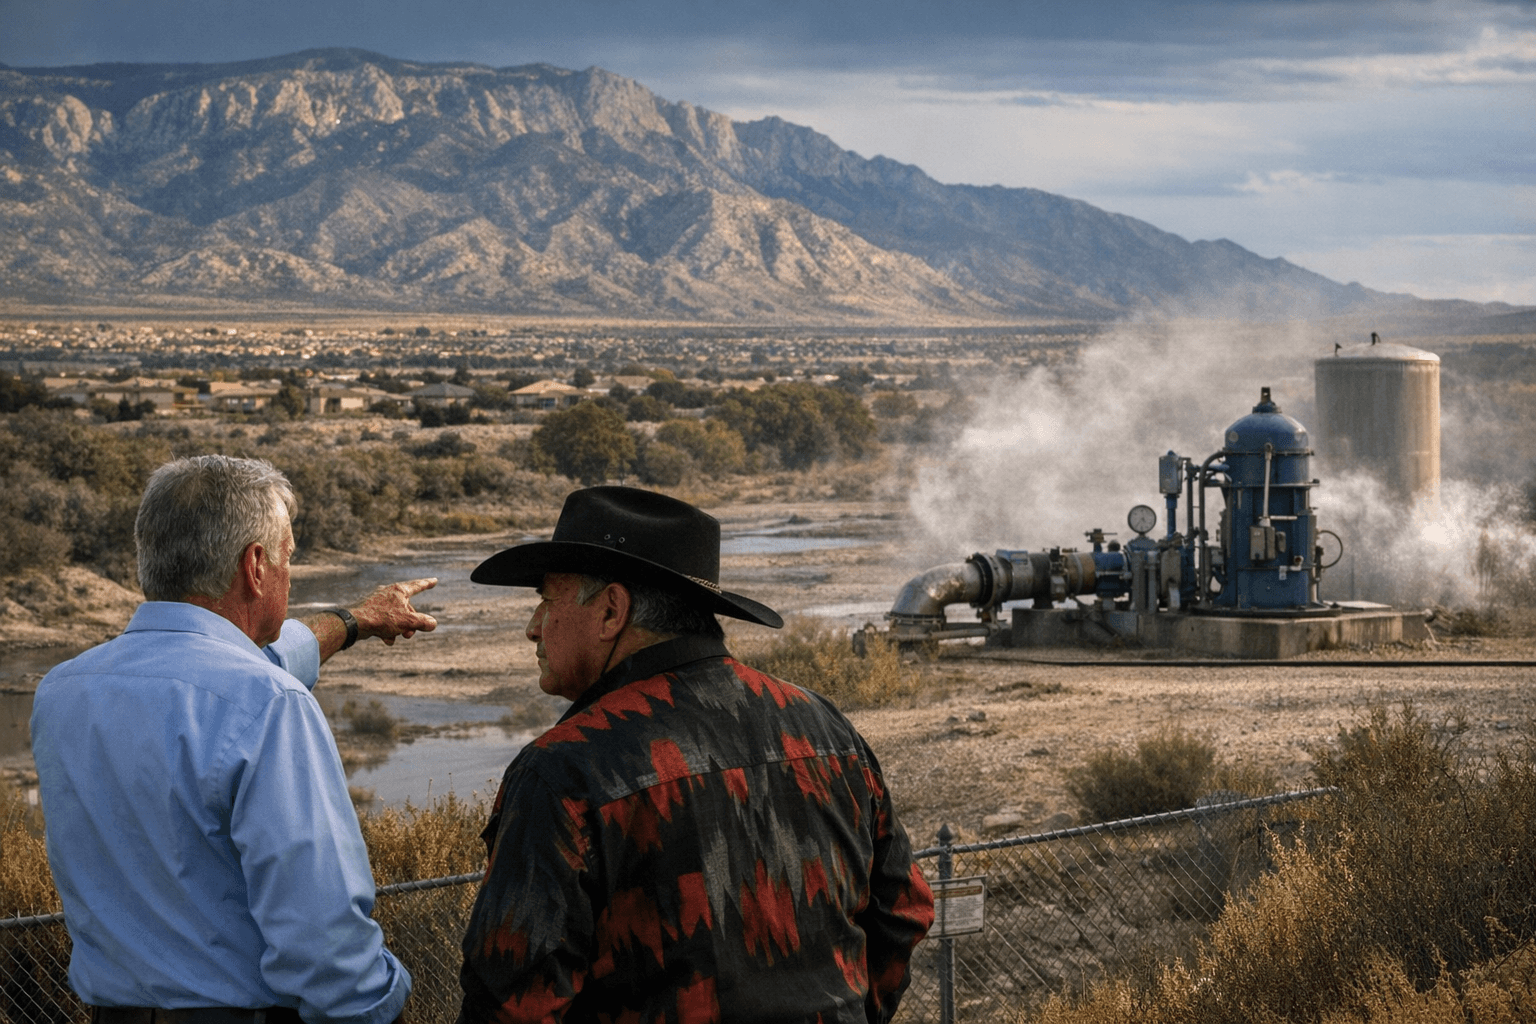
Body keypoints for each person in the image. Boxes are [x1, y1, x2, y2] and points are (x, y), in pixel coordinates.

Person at [458, 486, 934, 1024]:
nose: (533, 627)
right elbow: (903, 912)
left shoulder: (565, 770)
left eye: (546, 600)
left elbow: (510, 1005)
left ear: (612, 610)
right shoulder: (825, 728)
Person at [31, 455, 440, 1024]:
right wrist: (381, 1005)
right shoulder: (269, 705)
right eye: (288, 558)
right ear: (255, 566)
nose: (289, 576)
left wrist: (357, 620)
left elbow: (261, 660)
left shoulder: (62, 692)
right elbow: (324, 943)